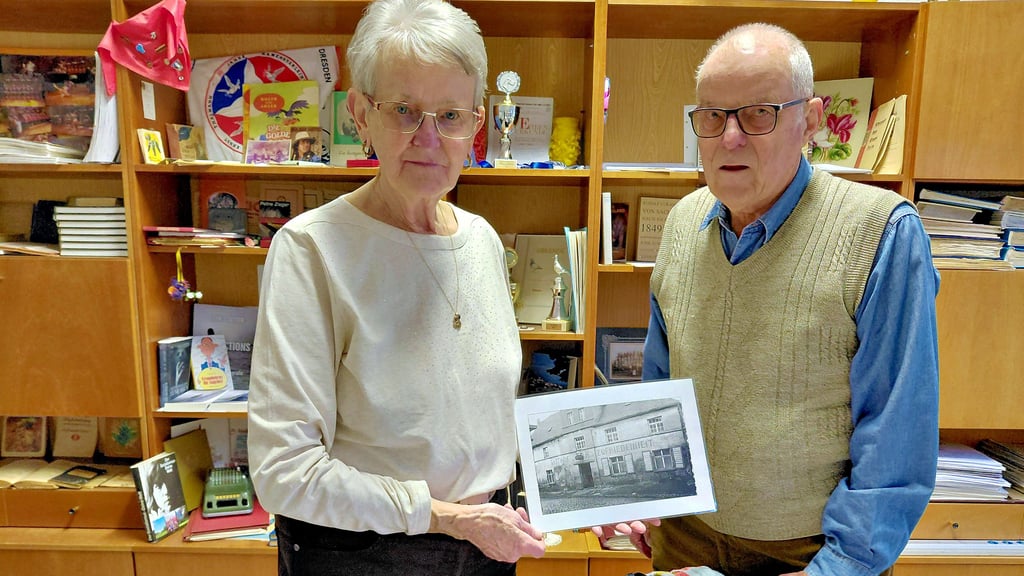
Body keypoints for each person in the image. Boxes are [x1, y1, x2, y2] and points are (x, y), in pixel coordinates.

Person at [594, 23, 940, 576]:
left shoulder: (881, 232)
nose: (730, 138)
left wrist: (836, 569)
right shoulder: (682, 223)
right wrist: (645, 498)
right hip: (686, 541)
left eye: (759, 114)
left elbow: (896, 436)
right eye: (712, 117)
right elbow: (660, 388)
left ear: (811, 120)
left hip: (810, 554)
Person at [247, 0, 546, 574]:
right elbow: (286, 472)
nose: (428, 138)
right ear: (360, 114)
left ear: (478, 123)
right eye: (405, 110)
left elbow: (485, 423)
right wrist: (448, 518)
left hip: (490, 546)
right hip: (367, 554)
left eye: (451, 116)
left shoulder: (483, 241)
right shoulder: (312, 248)